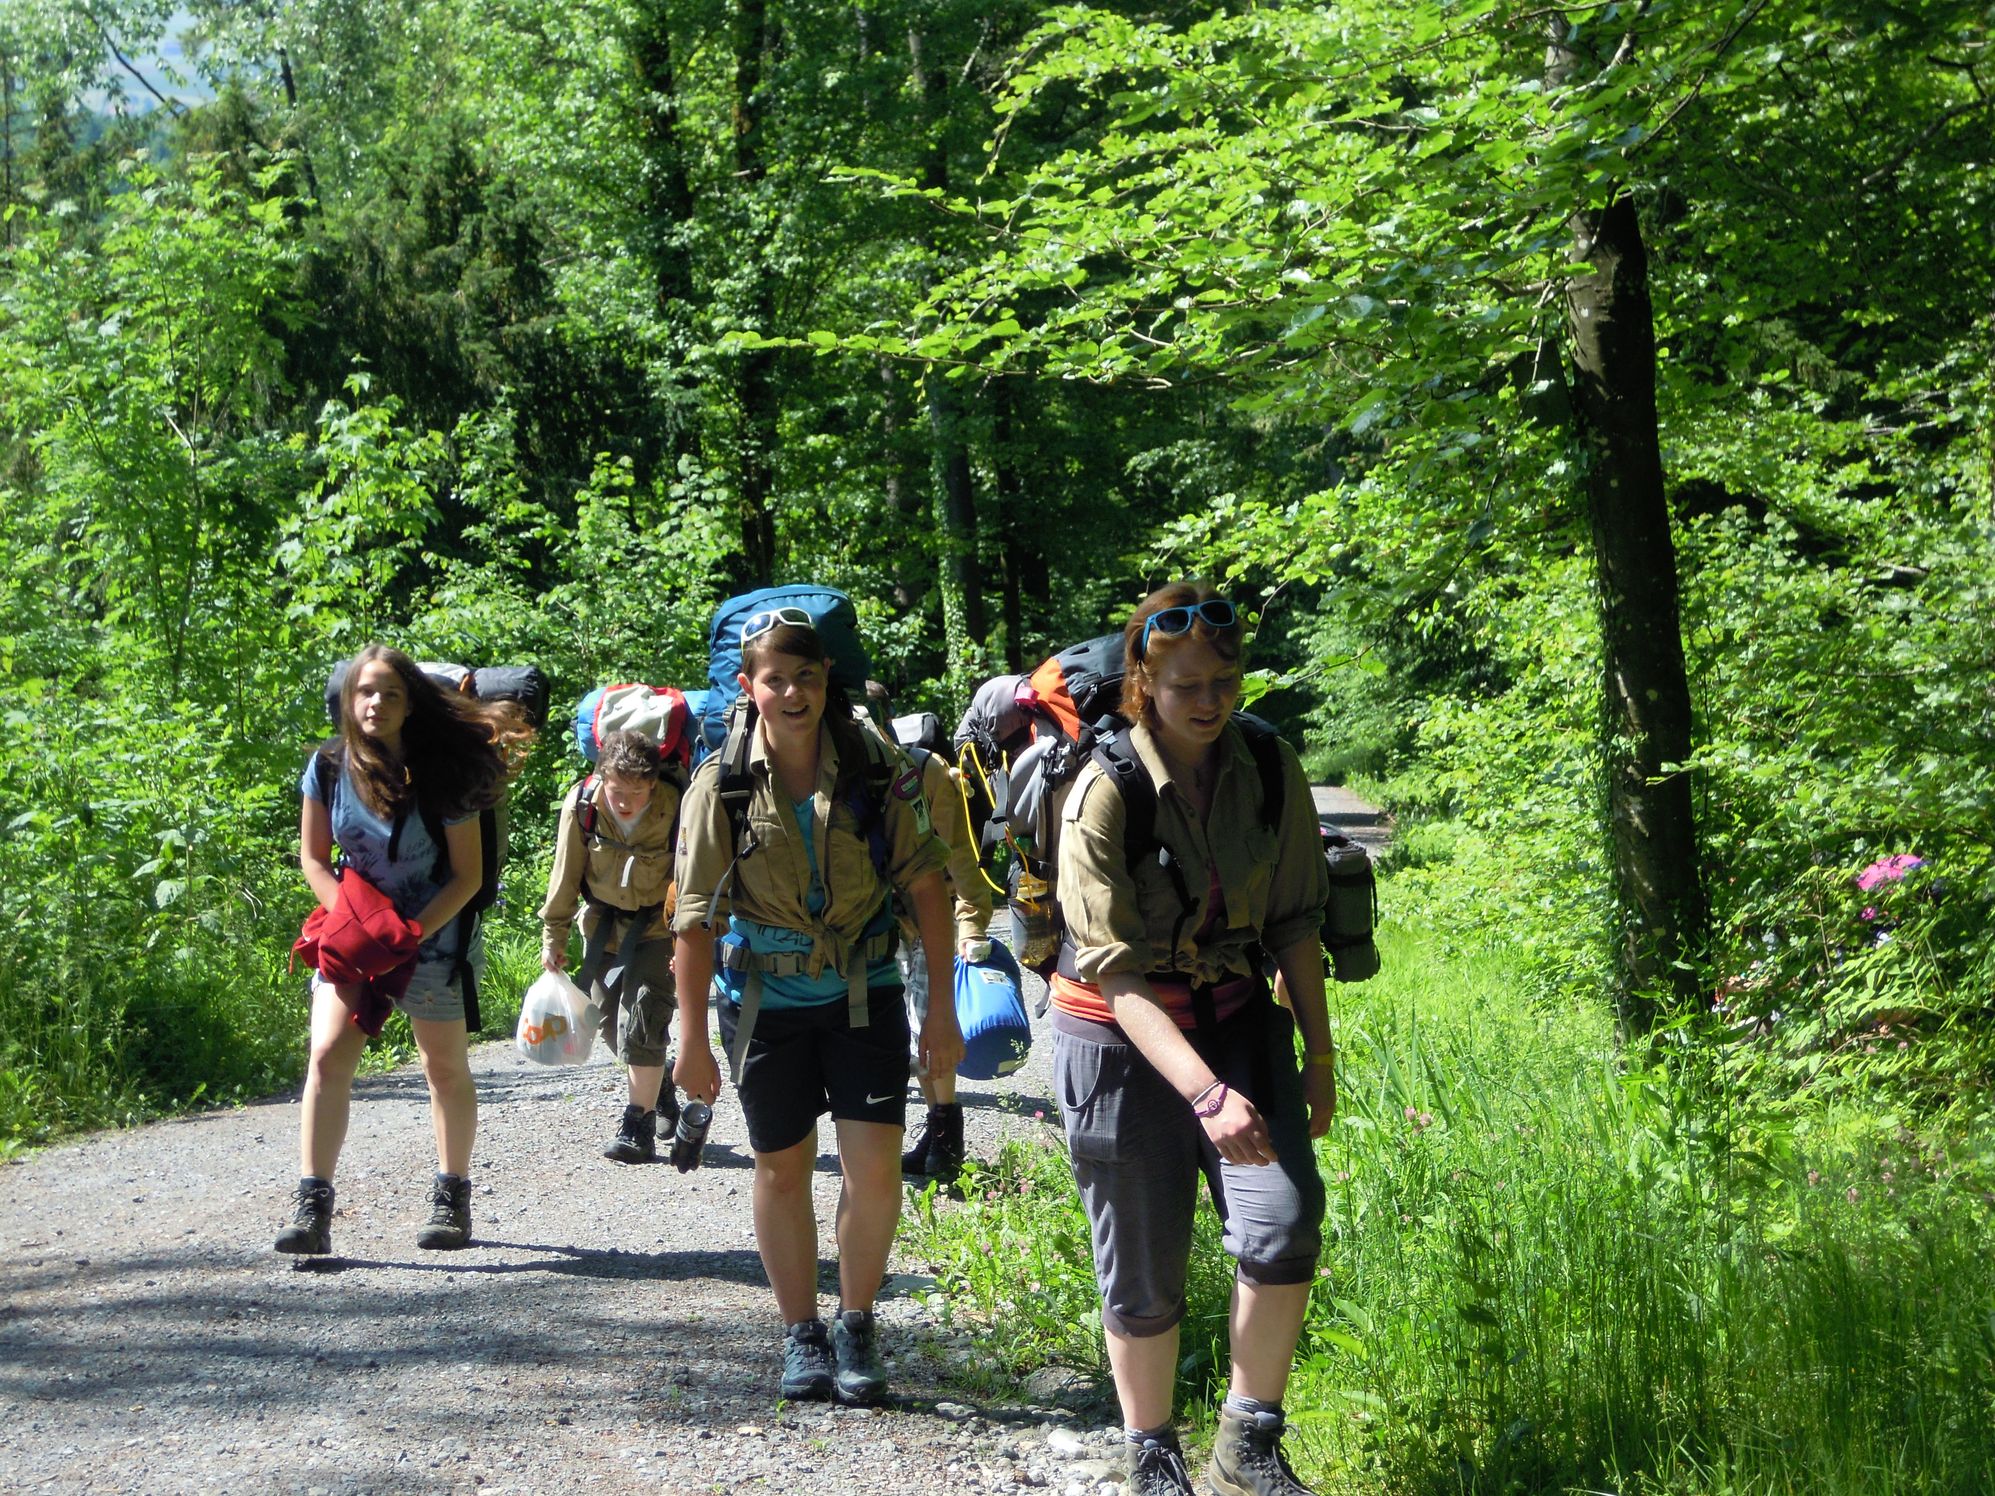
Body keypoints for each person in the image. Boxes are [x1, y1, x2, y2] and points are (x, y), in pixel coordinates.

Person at [1050, 583, 1334, 1496]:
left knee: (1282, 1225)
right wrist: (1205, 1094)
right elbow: (1112, 973)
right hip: (1117, 1039)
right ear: (1143, 683)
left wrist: (1318, 1058)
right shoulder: (1103, 789)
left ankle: (1247, 1446)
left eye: (1223, 680)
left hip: (1238, 1017)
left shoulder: (1269, 765)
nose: (1208, 701)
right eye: (1184, 686)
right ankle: (1151, 1453)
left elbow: (1295, 921)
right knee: (1143, 1268)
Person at [672, 610, 961, 1405]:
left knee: (873, 1170)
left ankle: (856, 1322)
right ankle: (801, 1333)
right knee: (780, 1167)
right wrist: (690, 1041)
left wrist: (940, 1011)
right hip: (763, 1003)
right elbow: (692, 921)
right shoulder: (721, 784)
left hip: (865, 993)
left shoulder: (873, 764)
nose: (793, 693)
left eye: (806, 676)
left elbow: (926, 885)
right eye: (776, 679)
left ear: (826, 678)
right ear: (749, 686)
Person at [277, 645, 531, 1256]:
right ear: (348, 700)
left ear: (411, 704)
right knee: (327, 1057)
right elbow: (314, 858)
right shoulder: (328, 767)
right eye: (366, 691)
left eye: (391, 693)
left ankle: (451, 1195)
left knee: (443, 1068)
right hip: (355, 937)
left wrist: (406, 934)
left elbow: (466, 877)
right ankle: (313, 1206)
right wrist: (357, 925)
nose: (376, 703)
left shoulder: (443, 772)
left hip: (433, 941)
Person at [863, 681, 995, 1183]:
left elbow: (958, 854)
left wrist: (971, 923)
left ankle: (946, 1140)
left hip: (925, 919)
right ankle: (935, 1135)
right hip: (872, 924)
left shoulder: (925, 771)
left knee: (929, 1027)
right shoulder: (839, 768)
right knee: (897, 1032)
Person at [540, 728, 684, 1163]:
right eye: (617, 790)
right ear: (601, 777)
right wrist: (554, 938)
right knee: (604, 1023)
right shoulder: (584, 805)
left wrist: (691, 943)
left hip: (658, 928)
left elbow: (694, 880)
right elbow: (564, 875)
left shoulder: (677, 807)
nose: (624, 801)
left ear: (653, 785)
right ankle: (658, 1080)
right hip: (603, 927)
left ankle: (637, 1125)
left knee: (644, 1019)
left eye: (636, 792)